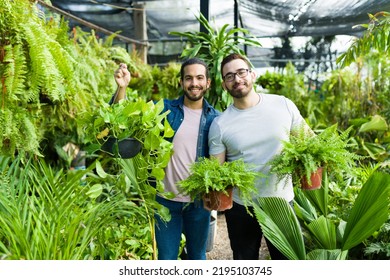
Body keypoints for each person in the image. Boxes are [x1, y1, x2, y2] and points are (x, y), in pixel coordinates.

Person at [112, 58, 219, 260]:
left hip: (198, 204)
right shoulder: (164, 110)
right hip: (165, 201)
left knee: (197, 256)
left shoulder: (216, 118)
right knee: (166, 258)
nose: (194, 83)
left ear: (208, 83)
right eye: (188, 78)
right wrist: (122, 89)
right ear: (181, 82)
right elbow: (126, 120)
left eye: (199, 78)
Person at [208, 53, 310, 260]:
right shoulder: (220, 124)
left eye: (241, 72)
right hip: (242, 208)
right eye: (229, 76)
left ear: (252, 74)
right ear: (224, 84)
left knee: (286, 262)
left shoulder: (283, 105)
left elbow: (309, 143)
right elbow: (215, 173)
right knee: (245, 262)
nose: (237, 79)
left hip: (281, 202)